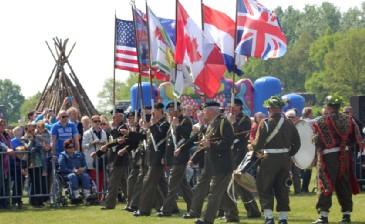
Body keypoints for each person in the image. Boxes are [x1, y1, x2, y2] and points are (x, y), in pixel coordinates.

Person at [250, 96, 301, 224]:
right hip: (284, 159)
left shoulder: (265, 123)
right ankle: (283, 218)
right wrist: (288, 154)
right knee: (283, 188)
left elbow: (258, 145)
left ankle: (269, 217)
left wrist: (251, 145)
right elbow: (297, 143)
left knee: (265, 187)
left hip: (268, 160)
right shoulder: (289, 122)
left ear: (270, 109)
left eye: (268, 108)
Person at [312, 96, 363, 224]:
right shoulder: (349, 119)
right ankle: (346, 215)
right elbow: (356, 138)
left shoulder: (322, 121)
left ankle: (323, 216)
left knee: (326, 183)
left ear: (328, 107)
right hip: (345, 155)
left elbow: (317, 141)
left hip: (329, 157)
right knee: (344, 184)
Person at [185, 101, 236, 224]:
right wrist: (195, 157)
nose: (203, 113)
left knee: (214, 193)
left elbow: (228, 142)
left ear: (211, 111)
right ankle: (233, 215)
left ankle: (207, 220)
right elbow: (206, 145)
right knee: (221, 192)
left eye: (205, 110)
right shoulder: (212, 124)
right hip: (212, 162)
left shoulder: (224, 122)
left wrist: (211, 144)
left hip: (222, 164)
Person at [226, 98, 261, 218]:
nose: (231, 108)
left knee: (236, 183)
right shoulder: (228, 118)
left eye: (234, 105)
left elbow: (239, 135)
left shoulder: (245, 120)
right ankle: (252, 211)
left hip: (239, 155)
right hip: (229, 155)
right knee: (239, 185)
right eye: (230, 105)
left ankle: (231, 212)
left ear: (239, 106)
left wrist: (233, 123)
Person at [134, 103, 169, 217]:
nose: (153, 113)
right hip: (152, 157)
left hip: (158, 158)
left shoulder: (165, 124)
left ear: (160, 111)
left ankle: (144, 209)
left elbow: (159, 137)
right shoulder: (157, 124)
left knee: (148, 183)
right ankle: (169, 207)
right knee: (160, 185)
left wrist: (152, 125)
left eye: (155, 110)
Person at [158, 102, 193, 217]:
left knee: (172, 184)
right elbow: (169, 143)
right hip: (173, 158)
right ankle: (193, 207)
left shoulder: (185, 121)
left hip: (181, 158)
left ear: (179, 110)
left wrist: (177, 126)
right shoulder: (172, 123)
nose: (170, 112)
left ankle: (166, 210)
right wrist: (165, 157)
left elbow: (186, 138)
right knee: (184, 185)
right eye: (169, 110)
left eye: (172, 109)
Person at [82, 115, 107, 197]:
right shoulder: (86, 133)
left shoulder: (103, 132)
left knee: (100, 178)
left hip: (101, 158)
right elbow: (83, 146)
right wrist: (92, 143)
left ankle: (100, 196)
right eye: (95, 121)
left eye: (98, 121)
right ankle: (94, 196)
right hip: (91, 159)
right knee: (93, 179)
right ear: (91, 122)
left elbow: (106, 144)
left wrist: (104, 144)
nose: (97, 123)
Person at [285, 109, 302, 195]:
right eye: (289, 117)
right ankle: (286, 189)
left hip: (296, 152)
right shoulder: (283, 127)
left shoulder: (300, 126)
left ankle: (298, 190)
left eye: (292, 117)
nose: (291, 118)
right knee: (286, 173)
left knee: (296, 173)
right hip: (287, 153)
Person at [0, 119, 15, 209]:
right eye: (0, 125)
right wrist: (6, 149)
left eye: (3, 124)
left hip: (7, 162)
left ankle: (5, 203)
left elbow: (10, 145)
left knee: (6, 183)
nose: (2, 126)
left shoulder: (6, 135)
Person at [301, 107, 315, 193]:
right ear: (309, 113)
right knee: (308, 169)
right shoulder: (311, 122)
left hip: (301, 147)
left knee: (303, 168)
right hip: (309, 148)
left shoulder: (300, 122)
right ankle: (304, 188)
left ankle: (303, 187)